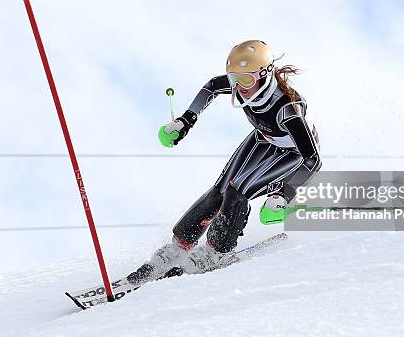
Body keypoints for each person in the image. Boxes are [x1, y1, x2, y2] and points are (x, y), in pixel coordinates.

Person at [128, 40, 321, 283]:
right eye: (234, 80)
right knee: (219, 190)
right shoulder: (243, 84)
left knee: (238, 190)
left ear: (265, 75)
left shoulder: (289, 111)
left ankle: (214, 253)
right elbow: (211, 87)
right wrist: (186, 120)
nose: (239, 88)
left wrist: (285, 195)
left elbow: (312, 158)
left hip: (292, 152)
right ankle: (177, 248)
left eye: (246, 81)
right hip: (262, 138)